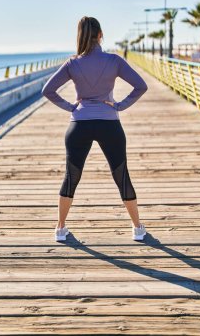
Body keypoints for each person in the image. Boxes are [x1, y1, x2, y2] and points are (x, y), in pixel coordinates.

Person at [41, 16, 148, 242]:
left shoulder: (72, 63)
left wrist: (72, 107)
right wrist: (120, 105)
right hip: (109, 123)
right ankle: (138, 228)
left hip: (79, 124)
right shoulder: (114, 60)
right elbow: (141, 86)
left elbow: (48, 90)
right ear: (101, 35)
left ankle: (60, 229)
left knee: (72, 176)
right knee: (121, 176)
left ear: (80, 36)